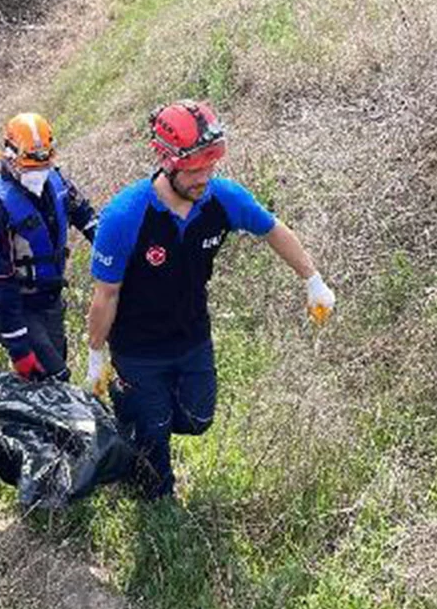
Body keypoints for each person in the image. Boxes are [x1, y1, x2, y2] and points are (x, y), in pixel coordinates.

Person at [85, 100, 336, 500]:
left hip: (192, 338)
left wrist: (313, 280)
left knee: (198, 419)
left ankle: (140, 420)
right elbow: (105, 295)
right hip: (138, 349)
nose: (205, 177)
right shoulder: (124, 216)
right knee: (152, 445)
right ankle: (154, 492)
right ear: (167, 161)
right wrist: (96, 356)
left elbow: (272, 229)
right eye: (195, 169)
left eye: (210, 166)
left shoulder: (221, 199)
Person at [0, 113, 97, 382]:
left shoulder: (57, 184)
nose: (37, 175)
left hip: (49, 298)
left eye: (42, 167)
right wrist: (18, 348)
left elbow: (88, 219)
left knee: (56, 369)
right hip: (17, 305)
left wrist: (115, 253)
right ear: (9, 156)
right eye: (29, 168)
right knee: (53, 376)